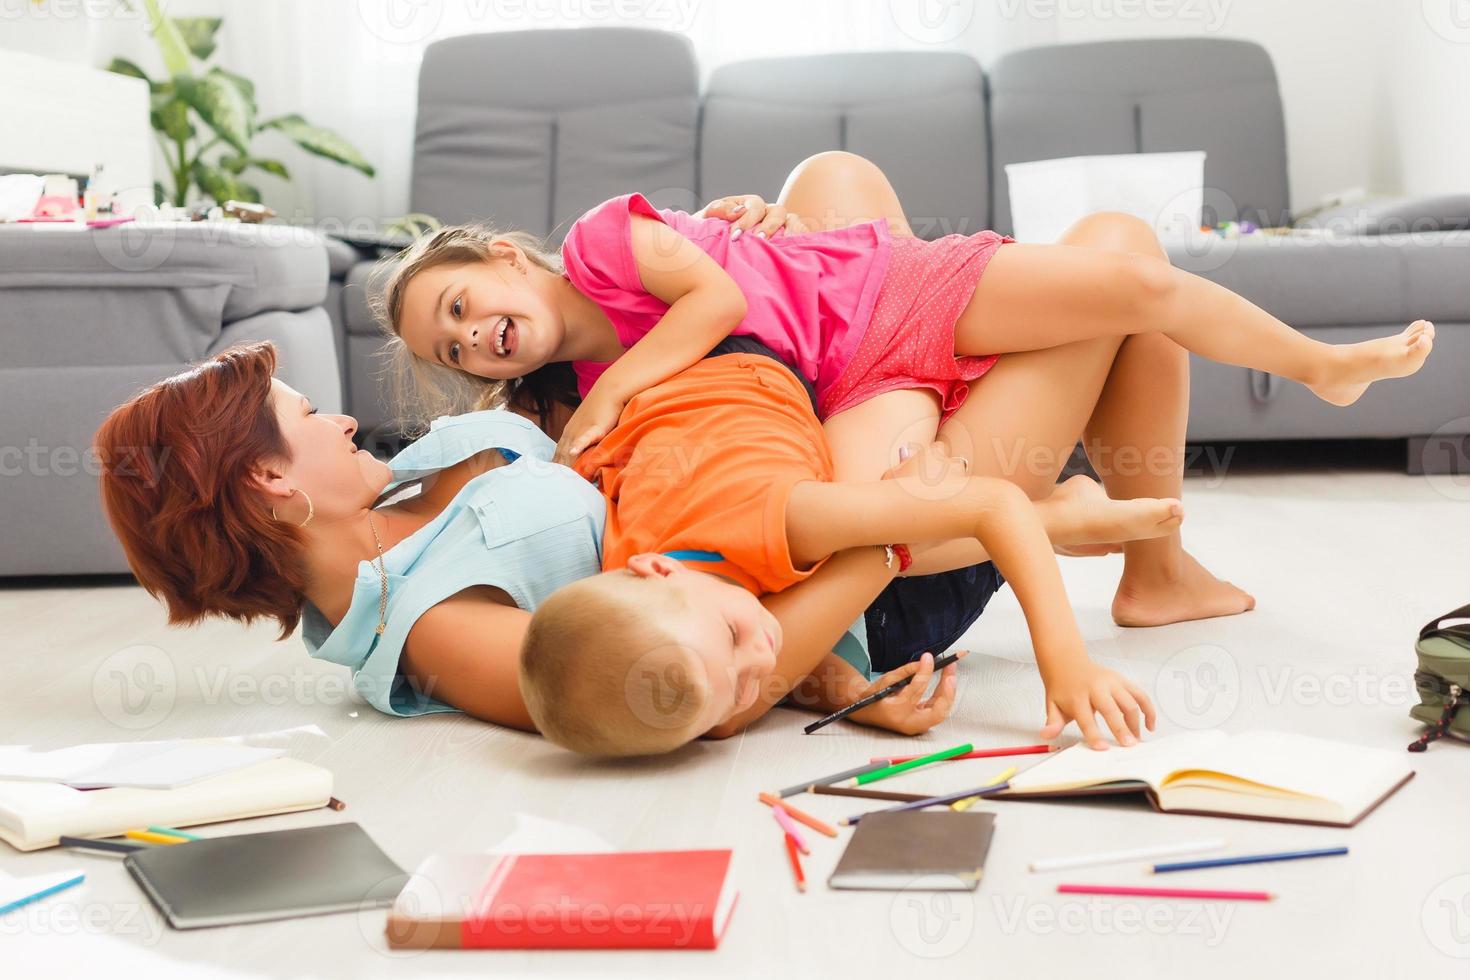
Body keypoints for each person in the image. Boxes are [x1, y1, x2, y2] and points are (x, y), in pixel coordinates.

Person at [382, 151, 1434, 626]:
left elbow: (704, 300)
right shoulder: (573, 392)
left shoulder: (598, 243)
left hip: (894, 290)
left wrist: (713, 244)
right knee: (888, 523)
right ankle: (1107, 543)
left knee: (1136, 282)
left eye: (466, 304)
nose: (476, 336)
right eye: (458, 349)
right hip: (852, 384)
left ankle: (1318, 366)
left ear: (512, 258)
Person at [520, 349, 1183, 756]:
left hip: (882, 532)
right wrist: (1066, 665)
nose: (765, 653)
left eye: (734, 635)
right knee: (1116, 277)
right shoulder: (700, 689)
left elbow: (984, 506)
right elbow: (987, 507)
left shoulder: (689, 586)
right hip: (898, 606)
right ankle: (1065, 524)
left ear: (654, 567)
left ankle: (1060, 518)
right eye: (745, 680)